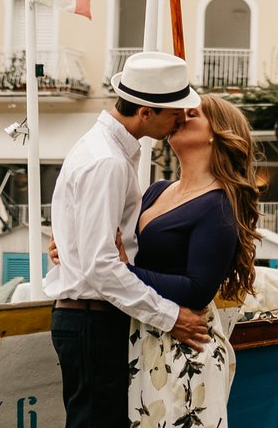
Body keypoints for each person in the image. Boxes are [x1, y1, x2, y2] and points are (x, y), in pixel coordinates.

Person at [46, 52, 210, 428]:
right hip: (93, 319)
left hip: (91, 317)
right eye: (175, 112)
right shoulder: (108, 161)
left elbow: (88, 249)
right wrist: (171, 317)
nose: (181, 119)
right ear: (146, 112)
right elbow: (100, 265)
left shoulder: (104, 151)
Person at [124, 94, 261, 428]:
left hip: (185, 347)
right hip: (144, 331)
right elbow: (119, 243)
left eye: (191, 113)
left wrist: (121, 271)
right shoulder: (157, 191)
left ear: (216, 133)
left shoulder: (218, 205)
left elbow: (198, 289)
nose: (178, 117)